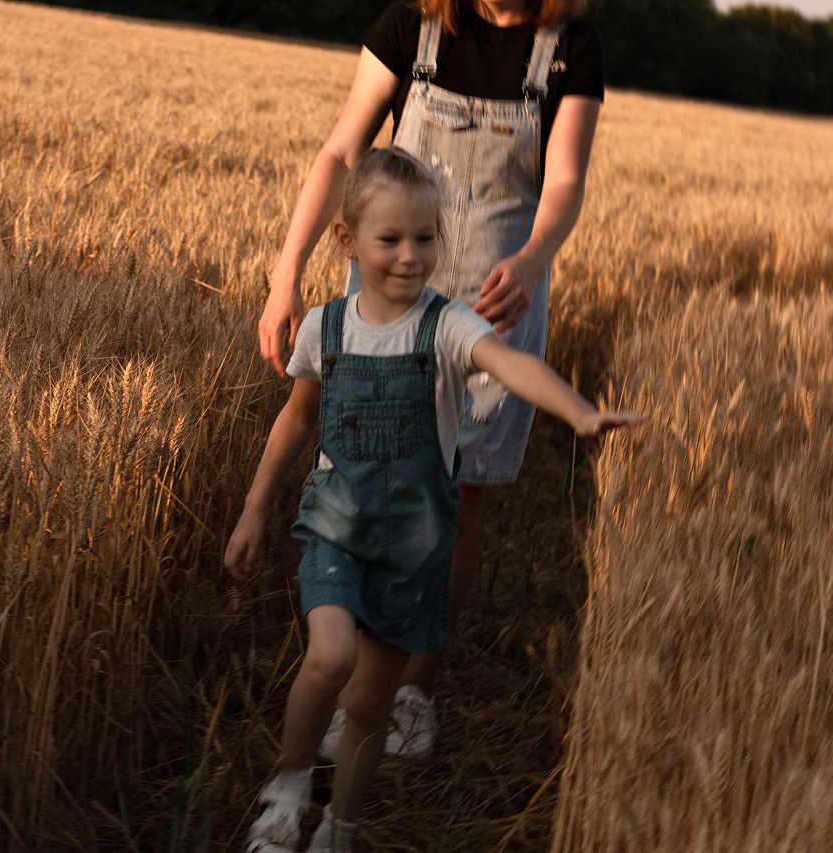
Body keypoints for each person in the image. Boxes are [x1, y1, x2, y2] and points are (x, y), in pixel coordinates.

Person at [226, 148, 638, 853]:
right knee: (326, 658)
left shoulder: (445, 326)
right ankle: (287, 788)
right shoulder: (323, 328)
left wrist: (577, 412)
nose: (411, 256)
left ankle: (339, 828)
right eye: (390, 239)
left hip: (414, 544)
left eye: (425, 237)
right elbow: (296, 418)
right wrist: (255, 508)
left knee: (367, 706)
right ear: (348, 241)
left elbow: (511, 363)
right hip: (335, 524)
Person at [258, 0, 603, 760]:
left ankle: (415, 686)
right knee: (363, 471)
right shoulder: (409, 30)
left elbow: (566, 178)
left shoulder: (568, 47)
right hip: (386, 302)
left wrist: (537, 256)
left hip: (492, 302)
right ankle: (346, 663)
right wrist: (287, 274)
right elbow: (342, 152)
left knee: (458, 494)